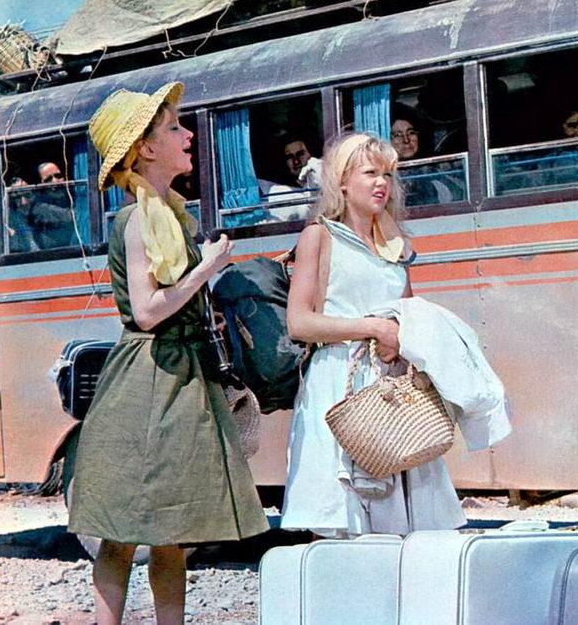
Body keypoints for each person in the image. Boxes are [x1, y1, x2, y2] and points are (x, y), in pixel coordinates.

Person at [68, 82, 268, 624]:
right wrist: (209, 267)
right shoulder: (138, 220)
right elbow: (148, 310)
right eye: (174, 128)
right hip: (148, 379)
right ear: (147, 149)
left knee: (171, 533)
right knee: (120, 530)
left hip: (177, 375)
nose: (187, 136)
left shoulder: (169, 214)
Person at [280, 132, 465, 538]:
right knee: (345, 524)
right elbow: (300, 322)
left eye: (388, 174)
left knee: (404, 529)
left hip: (391, 388)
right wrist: (372, 327)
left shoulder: (394, 243)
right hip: (339, 382)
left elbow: (408, 314)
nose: (382, 183)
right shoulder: (319, 236)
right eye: (370, 173)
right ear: (342, 181)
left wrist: (406, 337)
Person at [29, 161, 74, 249]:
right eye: (48, 180)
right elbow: (73, 217)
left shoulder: (71, 198)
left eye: (58, 176)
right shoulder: (39, 208)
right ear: (40, 185)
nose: (55, 182)